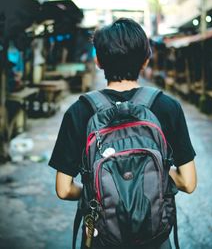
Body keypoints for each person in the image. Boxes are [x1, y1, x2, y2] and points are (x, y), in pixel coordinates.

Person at [49, 18, 197, 249]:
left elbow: (63, 188)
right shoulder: (167, 107)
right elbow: (188, 183)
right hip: (155, 237)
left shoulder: (79, 111)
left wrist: (97, 192)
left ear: (98, 60)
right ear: (145, 60)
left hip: (101, 238)